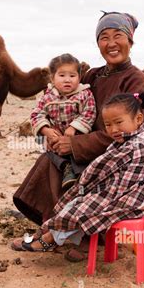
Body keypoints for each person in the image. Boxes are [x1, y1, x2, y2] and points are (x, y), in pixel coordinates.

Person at [12, 11, 144, 261]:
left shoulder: (137, 80)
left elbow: (131, 132)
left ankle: (76, 236)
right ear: (98, 43)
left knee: (77, 172)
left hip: (120, 154)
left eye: (118, 36)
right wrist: (54, 133)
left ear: (130, 40)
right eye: (104, 37)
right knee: (51, 160)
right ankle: (61, 231)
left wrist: (76, 144)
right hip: (86, 145)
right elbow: (67, 99)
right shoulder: (92, 75)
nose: (111, 43)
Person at [16, 91, 144, 252]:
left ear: (139, 119)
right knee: (78, 200)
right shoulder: (128, 138)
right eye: (108, 125)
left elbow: (107, 172)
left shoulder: (137, 145)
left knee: (83, 208)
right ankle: (48, 231)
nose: (113, 129)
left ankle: (49, 238)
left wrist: (88, 187)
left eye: (118, 122)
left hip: (131, 198)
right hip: (121, 190)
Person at [31, 53, 96, 190]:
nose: (67, 80)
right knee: (46, 146)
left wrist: (74, 127)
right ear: (52, 78)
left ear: (79, 77)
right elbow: (37, 114)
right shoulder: (48, 98)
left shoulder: (84, 94)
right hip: (55, 137)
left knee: (79, 151)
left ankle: (79, 173)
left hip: (77, 136)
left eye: (72, 76)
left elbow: (89, 113)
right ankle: (66, 167)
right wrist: (45, 130)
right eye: (62, 75)